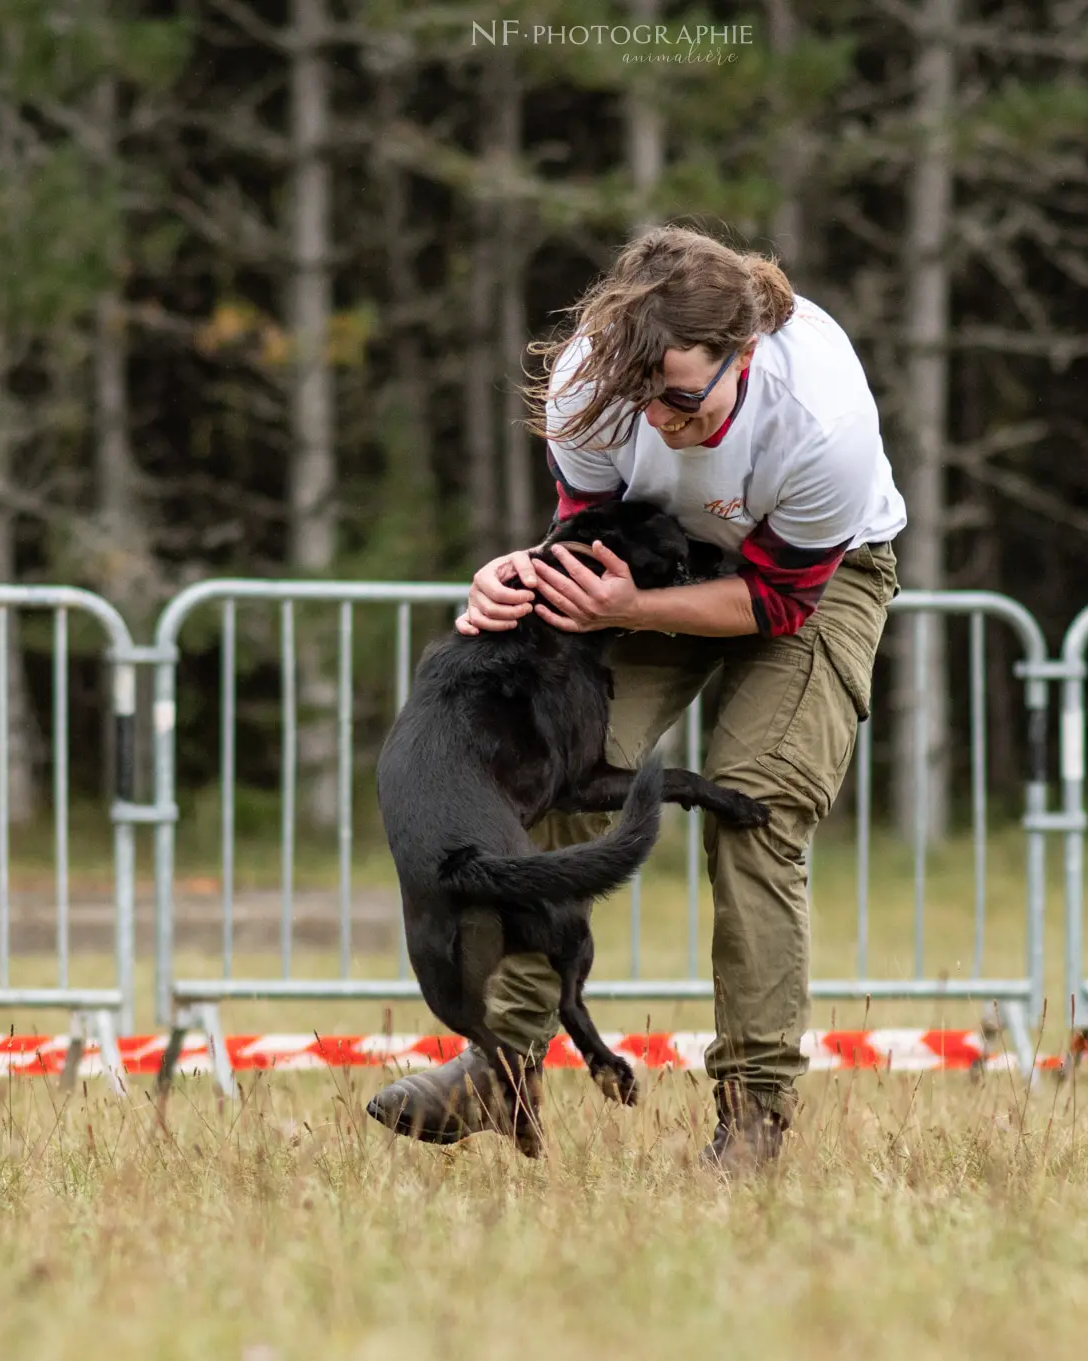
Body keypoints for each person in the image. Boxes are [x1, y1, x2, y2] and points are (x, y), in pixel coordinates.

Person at [365, 224, 906, 1170]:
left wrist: (637, 604)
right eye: (641, 397)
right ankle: (502, 1069)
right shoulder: (590, 380)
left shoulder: (821, 421)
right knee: (550, 776)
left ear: (743, 355)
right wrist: (514, 578)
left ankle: (754, 1112)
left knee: (757, 803)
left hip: (817, 583)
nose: (660, 419)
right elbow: (584, 536)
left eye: (683, 399)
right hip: (647, 568)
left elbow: (777, 602)